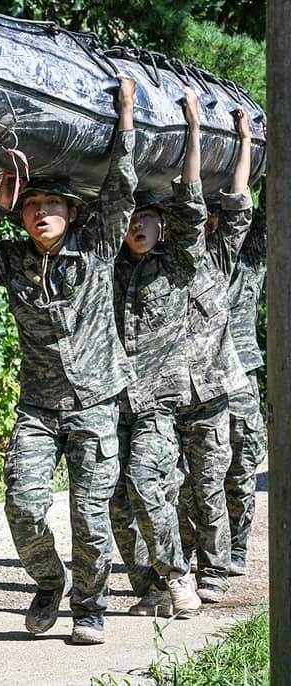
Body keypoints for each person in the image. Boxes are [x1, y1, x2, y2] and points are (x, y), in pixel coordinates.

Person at [0, 76, 139, 645]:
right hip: (38, 407)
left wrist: (125, 115)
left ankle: (90, 605)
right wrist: (0, 204)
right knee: (25, 506)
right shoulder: (10, 261)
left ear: (71, 213)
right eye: (32, 207)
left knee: (90, 515)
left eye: (51, 205)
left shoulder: (97, 248)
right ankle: (48, 582)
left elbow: (122, 190)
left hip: (95, 402)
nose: (40, 214)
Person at [107, 90, 210, 619]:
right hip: (109, 401)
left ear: (162, 226)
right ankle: (148, 586)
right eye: (132, 219)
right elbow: (113, 193)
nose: (138, 226)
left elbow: (191, 202)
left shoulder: (179, 264)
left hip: (157, 404)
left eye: (148, 218)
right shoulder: (106, 262)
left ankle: (178, 577)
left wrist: (193, 130)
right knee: (118, 503)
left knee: (148, 486)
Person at [174, 108, 255, 603]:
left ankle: (216, 567)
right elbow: (181, 201)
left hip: (213, 392)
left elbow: (239, 203)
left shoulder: (220, 256)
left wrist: (241, 139)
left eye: (206, 219)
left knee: (210, 483)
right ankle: (185, 560)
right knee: (177, 487)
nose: (199, 224)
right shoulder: (159, 263)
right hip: (170, 392)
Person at [221, 180, 267, 577]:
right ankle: (197, 547)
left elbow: (267, 221)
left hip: (240, 376)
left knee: (241, 464)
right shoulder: (185, 257)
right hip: (195, 378)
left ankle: (236, 544)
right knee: (191, 473)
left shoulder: (249, 259)